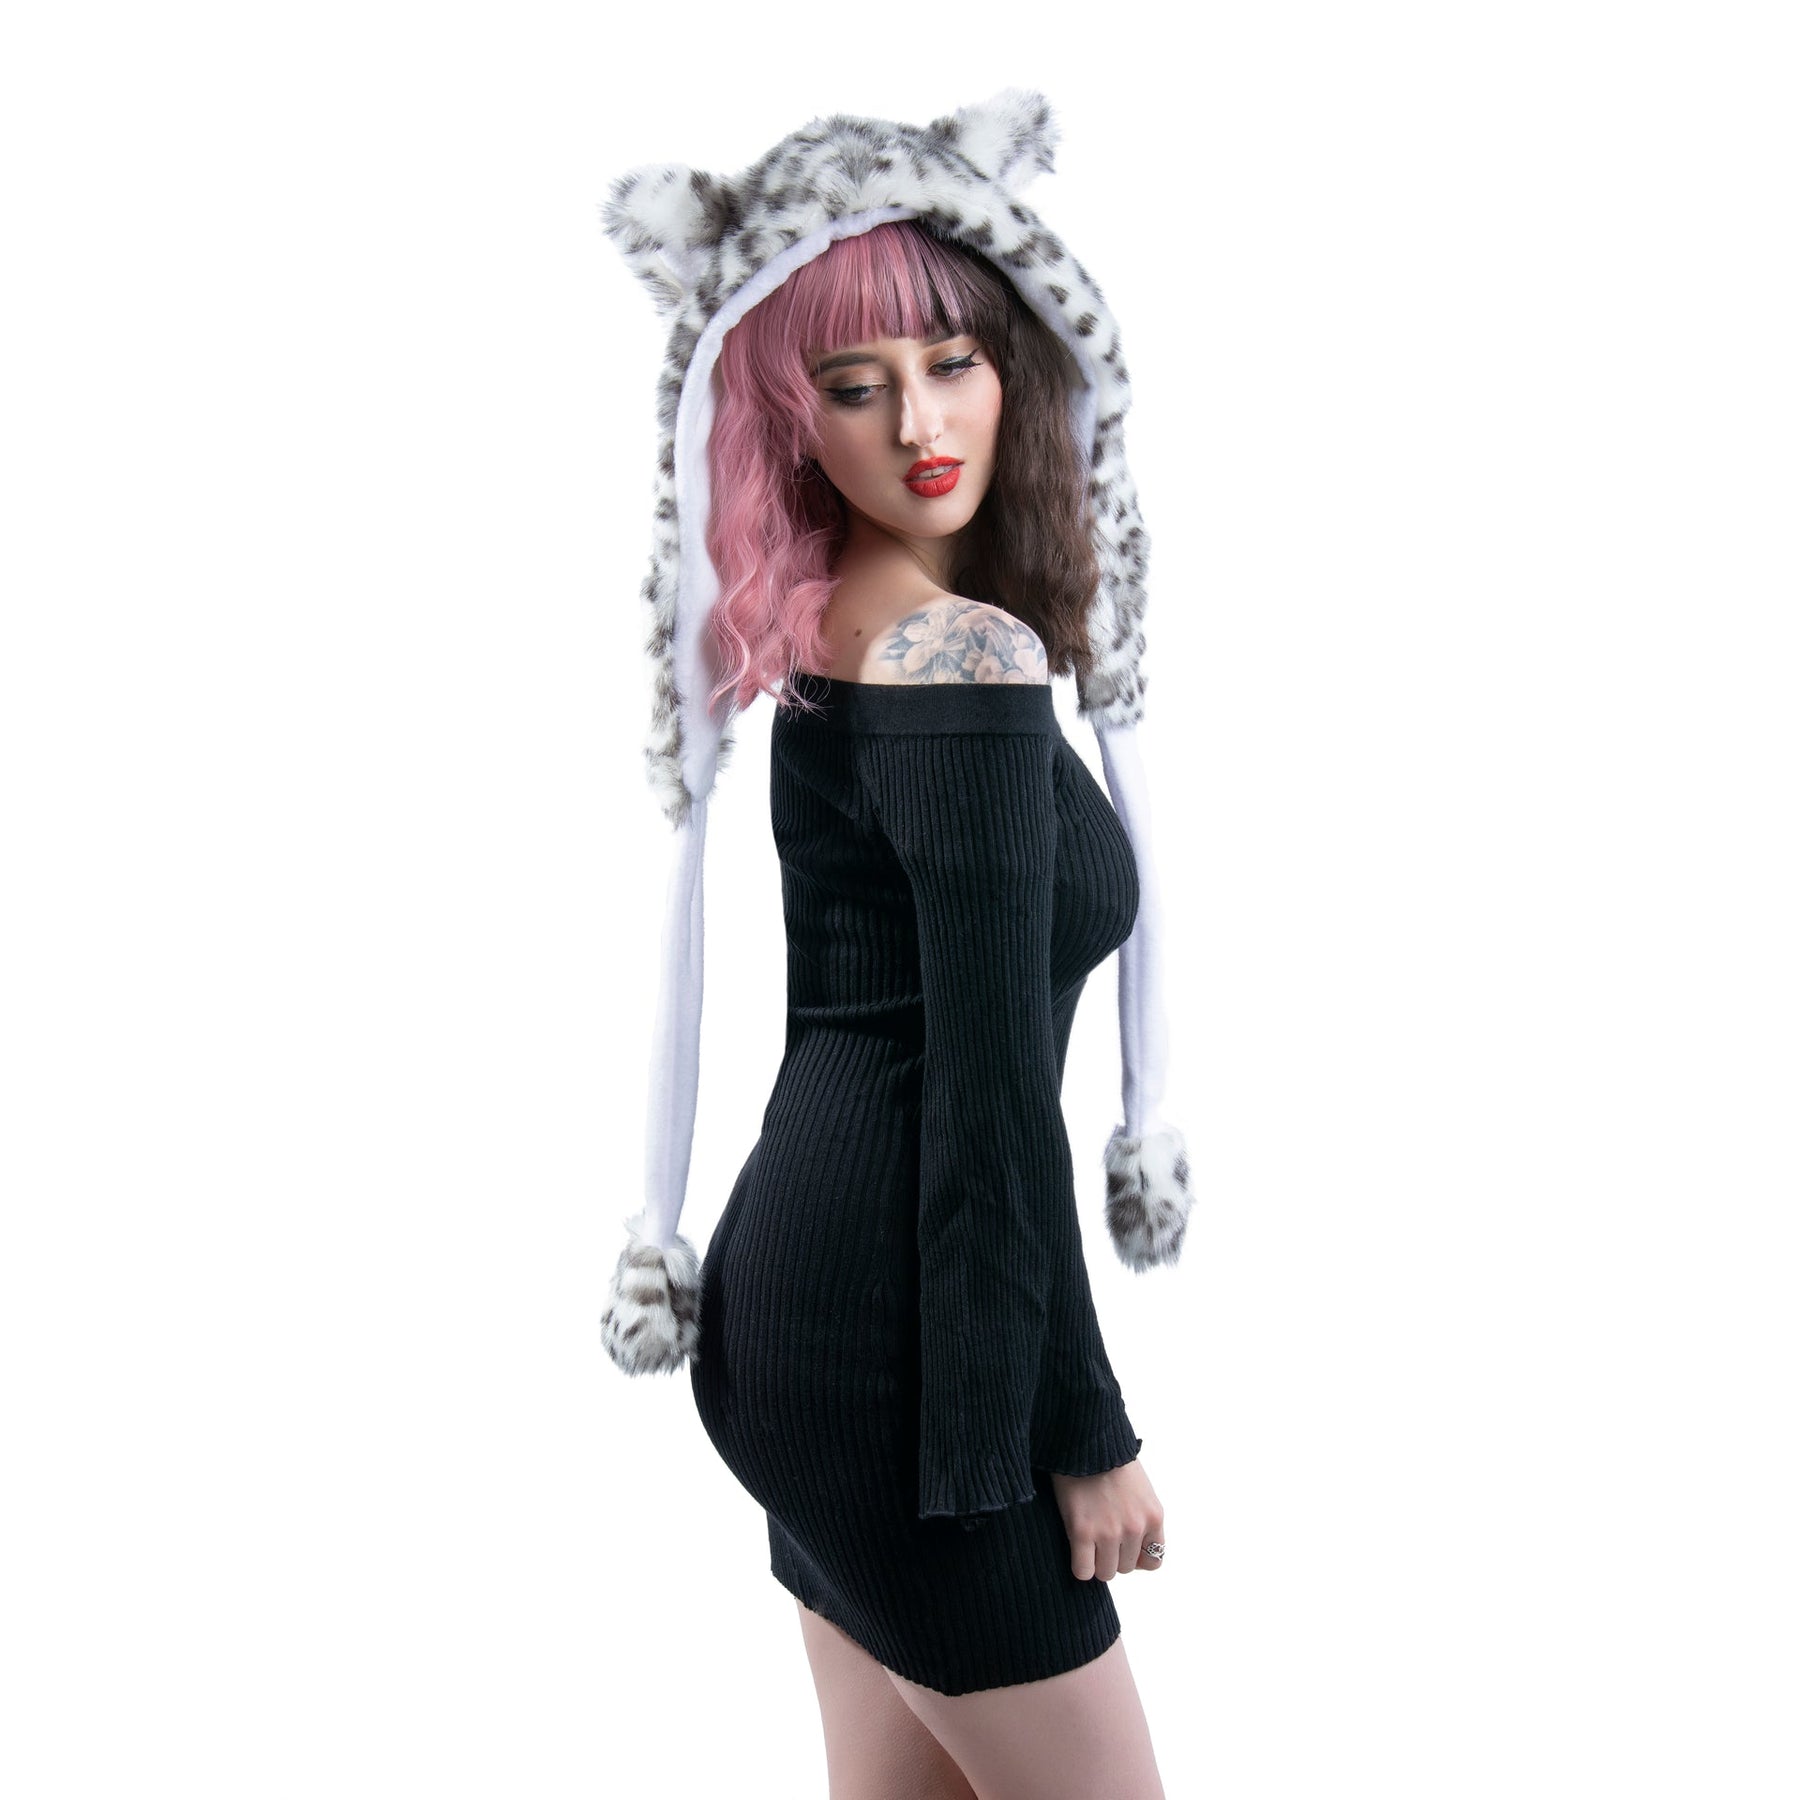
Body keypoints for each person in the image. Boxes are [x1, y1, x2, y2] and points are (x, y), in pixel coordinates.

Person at [599, 91, 1195, 1799]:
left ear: (1023, 366)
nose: (922, 423)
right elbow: (991, 1109)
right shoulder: (955, 661)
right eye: (855, 386)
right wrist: (1082, 1430)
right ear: (790, 421)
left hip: (805, 1315)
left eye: (954, 362)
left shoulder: (842, 634)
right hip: (903, 1351)